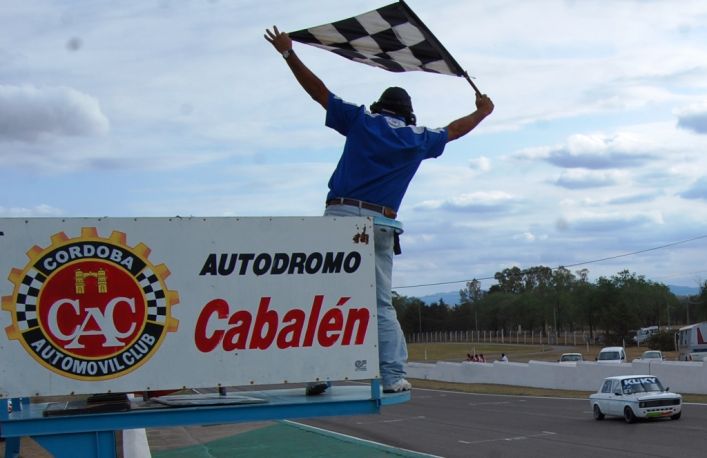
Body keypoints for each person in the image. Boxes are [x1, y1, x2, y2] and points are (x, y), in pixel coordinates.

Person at [265, 26, 494, 394]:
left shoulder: (361, 121)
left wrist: (289, 53)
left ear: (379, 107)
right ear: (408, 114)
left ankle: (319, 373)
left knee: (323, 296)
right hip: (382, 224)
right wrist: (482, 112)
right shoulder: (417, 138)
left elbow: (319, 93)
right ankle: (391, 376)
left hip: (339, 217)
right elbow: (454, 129)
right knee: (380, 304)